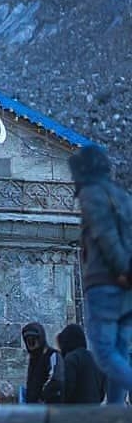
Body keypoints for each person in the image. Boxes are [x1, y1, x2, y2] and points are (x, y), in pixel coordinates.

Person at [69, 144, 132, 404]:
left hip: (108, 282)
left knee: (104, 353)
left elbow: (105, 235)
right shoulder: (122, 196)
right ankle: (116, 412)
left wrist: (121, 270)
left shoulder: (93, 193)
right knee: (120, 350)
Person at [56, 323, 106, 404]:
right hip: (94, 411)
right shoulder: (95, 358)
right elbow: (101, 393)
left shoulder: (71, 359)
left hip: (75, 412)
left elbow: (66, 390)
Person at [21, 322, 64, 403]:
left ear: (40, 338)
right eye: (28, 339)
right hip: (34, 408)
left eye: (33, 338)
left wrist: (42, 397)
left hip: (48, 407)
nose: (31, 342)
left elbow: (56, 379)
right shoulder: (33, 359)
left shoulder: (52, 355)